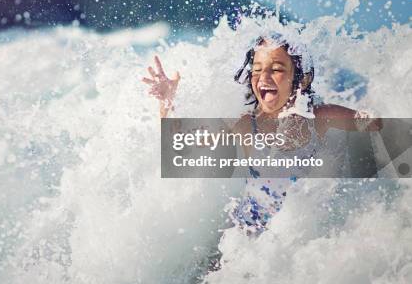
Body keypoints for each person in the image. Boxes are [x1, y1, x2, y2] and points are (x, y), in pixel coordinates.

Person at [142, 33, 382, 238]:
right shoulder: (247, 125)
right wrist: (167, 101)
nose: (264, 78)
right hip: (244, 236)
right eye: (257, 70)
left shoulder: (321, 118)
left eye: (276, 69)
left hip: (297, 233)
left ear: (303, 79)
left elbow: (378, 124)